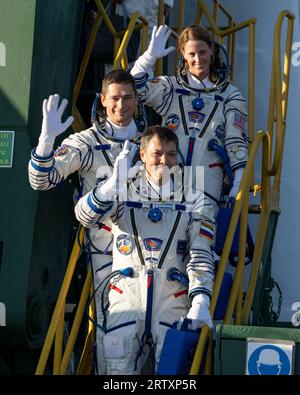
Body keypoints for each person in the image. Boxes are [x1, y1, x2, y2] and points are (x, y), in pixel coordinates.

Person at [28, 69, 145, 374]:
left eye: (128, 97)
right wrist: (46, 140)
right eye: (115, 98)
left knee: (151, 330)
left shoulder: (151, 141)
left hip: (152, 248)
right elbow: (41, 181)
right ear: (103, 100)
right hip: (107, 249)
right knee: (115, 329)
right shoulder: (86, 142)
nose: (122, 105)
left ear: (137, 99)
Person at [75, 126, 215, 374]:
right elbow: (84, 216)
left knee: (173, 373)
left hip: (172, 298)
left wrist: (201, 299)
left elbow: (200, 252)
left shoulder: (195, 199)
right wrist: (109, 187)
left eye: (171, 154)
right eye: (157, 154)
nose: (164, 161)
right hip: (126, 297)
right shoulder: (121, 190)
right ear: (142, 154)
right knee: (118, 371)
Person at [130, 25, 248, 224]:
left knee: (201, 236)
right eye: (191, 53)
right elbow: (133, 90)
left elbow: (236, 142)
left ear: (212, 50)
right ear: (183, 54)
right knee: (165, 232)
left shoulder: (230, 95)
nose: (198, 59)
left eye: (202, 52)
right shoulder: (171, 87)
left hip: (208, 178)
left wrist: (238, 185)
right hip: (167, 174)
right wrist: (148, 58)